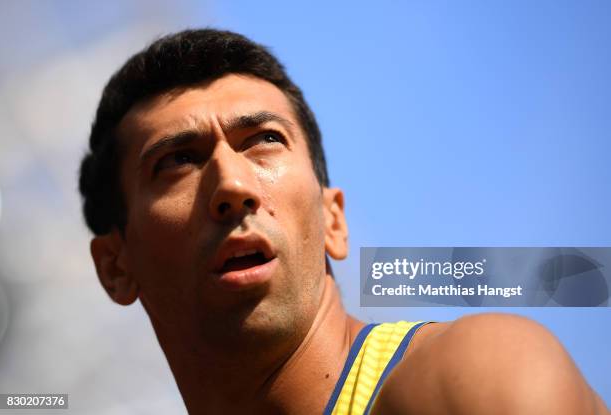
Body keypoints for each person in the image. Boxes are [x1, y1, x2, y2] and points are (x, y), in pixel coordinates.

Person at [78, 29, 608, 414]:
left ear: (334, 221)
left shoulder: (477, 374)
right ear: (115, 267)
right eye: (177, 161)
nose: (233, 187)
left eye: (263, 140)